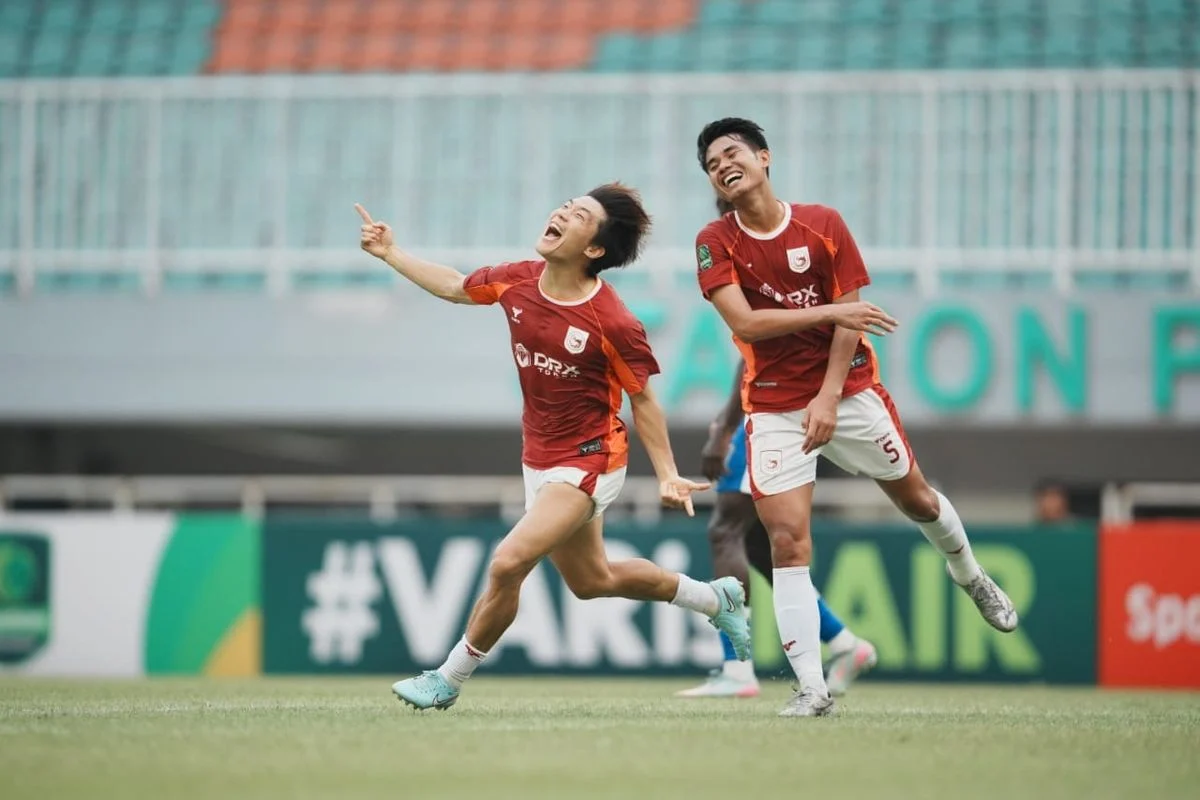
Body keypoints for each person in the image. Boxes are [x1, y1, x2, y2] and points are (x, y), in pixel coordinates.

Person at [356, 184, 760, 711]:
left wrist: (666, 472)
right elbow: (456, 286)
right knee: (593, 581)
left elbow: (644, 402)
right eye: (566, 206)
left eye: (580, 215)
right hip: (539, 457)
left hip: (591, 458)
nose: (562, 213)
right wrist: (392, 253)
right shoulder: (518, 279)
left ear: (594, 249)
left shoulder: (613, 322)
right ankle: (715, 597)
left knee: (508, 562)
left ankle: (447, 679)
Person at [693, 118, 1018, 717]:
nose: (722, 165)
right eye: (711, 164)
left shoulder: (824, 223)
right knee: (788, 543)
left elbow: (854, 320)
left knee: (918, 501)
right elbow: (746, 324)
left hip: (850, 394)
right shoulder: (714, 241)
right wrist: (823, 314)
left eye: (731, 152)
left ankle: (970, 576)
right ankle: (813, 690)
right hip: (771, 407)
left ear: (765, 157)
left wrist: (828, 395)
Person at [676, 358, 877, 699]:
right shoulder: (825, 309)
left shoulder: (773, 306)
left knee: (726, 530)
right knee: (755, 545)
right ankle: (845, 643)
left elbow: (753, 353)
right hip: (796, 408)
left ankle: (736, 668)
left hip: (772, 414)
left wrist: (725, 427)